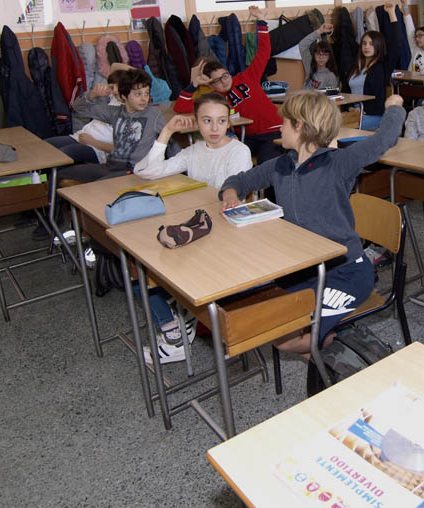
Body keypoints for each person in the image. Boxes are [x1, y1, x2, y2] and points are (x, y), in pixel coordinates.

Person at [219, 91, 406, 368]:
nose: (279, 126)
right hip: (301, 270)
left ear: (300, 127)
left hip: (346, 272)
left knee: (284, 339)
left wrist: (395, 107)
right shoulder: (281, 165)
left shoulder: (338, 162)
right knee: (263, 322)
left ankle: (333, 347)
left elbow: (384, 138)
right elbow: (241, 180)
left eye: (284, 122)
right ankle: (330, 343)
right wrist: (230, 193)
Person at [133, 92, 253, 364]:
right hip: (199, 229)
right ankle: (178, 320)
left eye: (221, 121)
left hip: (226, 235)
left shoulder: (239, 151)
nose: (214, 128)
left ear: (229, 122)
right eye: (207, 121)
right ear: (196, 122)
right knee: (139, 272)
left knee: (150, 275)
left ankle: (180, 322)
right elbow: (146, 172)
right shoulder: (194, 151)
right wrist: (167, 131)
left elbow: (224, 195)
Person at [174, 6, 284, 163]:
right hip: (248, 137)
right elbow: (180, 108)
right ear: (211, 85)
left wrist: (261, 22)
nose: (224, 81)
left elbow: (263, 52)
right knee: (226, 159)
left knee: (267, 164)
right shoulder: (216, 100)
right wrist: (193, 84)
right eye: (217, 80)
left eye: (225, 75)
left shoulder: (247, 76)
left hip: (272, 132)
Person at [62, 68, 163, 182]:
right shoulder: (115, 112)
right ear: (124, 96)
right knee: (62, 173)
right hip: (113, 166)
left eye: (146, 93)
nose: (144, 98)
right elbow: (80, 109)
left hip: (132, 171)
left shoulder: (152, 116)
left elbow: (168, 142)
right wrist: (92, 95)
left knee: (97, 186)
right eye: (138, 94)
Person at [46, 67, 126, 163]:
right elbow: (77, 108)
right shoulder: (111, 97)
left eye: (118, 87)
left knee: (62, 154)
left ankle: (49, 177)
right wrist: (92, 95)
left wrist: (92, 142)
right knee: (45, 145)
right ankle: (34, 176)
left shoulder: (130, 107)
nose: (115, 91)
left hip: (98, 150)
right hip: (80, 137)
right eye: (112, 87)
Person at [342, 4, 401, 130]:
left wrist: (391, 13)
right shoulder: (355, 67)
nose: (367, 47)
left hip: (372, 116)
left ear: (378, 46)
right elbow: (346, 92)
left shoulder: (383, 66)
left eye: (371, 44)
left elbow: (396, 44)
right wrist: (351, 108)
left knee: (339, 127)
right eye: (364, 43)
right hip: (353, 114)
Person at [299, 22, 340, 90]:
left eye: (325, 55)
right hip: (304, 99)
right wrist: (319, 31)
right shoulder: (309, 65)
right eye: (318, 54)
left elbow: (329, 98)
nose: (321, 57)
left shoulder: (331, 76)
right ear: (314, 54)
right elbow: (302, 45)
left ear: (329, 56)